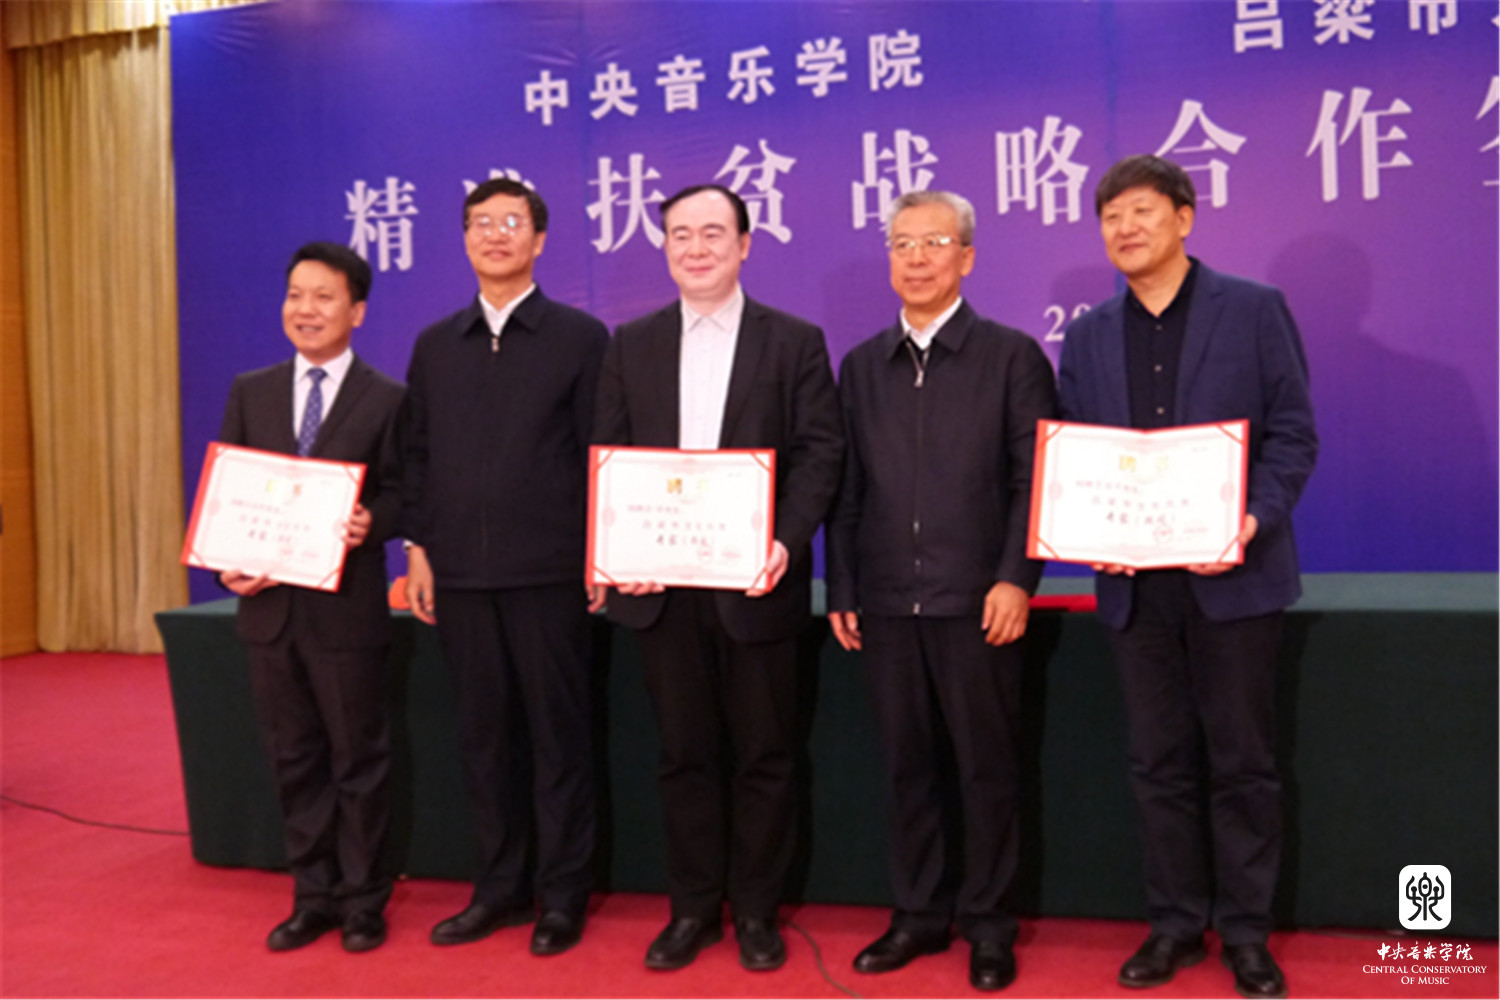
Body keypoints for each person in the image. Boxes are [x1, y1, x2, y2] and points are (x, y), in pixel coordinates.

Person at [1058, 155, 1317, 1000]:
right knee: (1157, 763)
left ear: (1184, 217)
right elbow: (1079, 455)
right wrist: (1090, 530)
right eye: (1110, 218)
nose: (1125, 229)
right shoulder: (1090, 335)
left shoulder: (1253, 309)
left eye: (1141, 211)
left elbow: (1293, 435)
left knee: (1243, 763)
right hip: (1137, 588)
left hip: (1233, 576)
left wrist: (1252, 519)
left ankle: (1246, 932)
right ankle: (1173, 923)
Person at [591, 184, 843, 973]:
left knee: (766, 756)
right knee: (684, 756)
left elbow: (820, 453)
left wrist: (786, 541)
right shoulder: (630, 343)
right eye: (680, 234)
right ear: (664, 246)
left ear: (744, 245)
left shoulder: (793, 341)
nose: (695, 248)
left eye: (712, 233)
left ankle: (758, 912)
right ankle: (693, 910)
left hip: (756, 585)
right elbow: (610, 455)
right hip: (662, 593)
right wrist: (618, 553)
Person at [825, 191, 1056, 992]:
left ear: (967, 256)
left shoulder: (1011, 356)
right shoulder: (862, 366)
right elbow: (846, 488)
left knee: (987, 771)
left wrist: (1015, 577)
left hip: (978, 602)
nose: (916, 258)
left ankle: (989, 924)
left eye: (934, 242)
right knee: (907, 769)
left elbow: (1035, 479)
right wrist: (843, 583)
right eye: (902, 244)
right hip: (887, 603)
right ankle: (918, 915)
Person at [402, 178, 607, 956]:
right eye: (480, 223)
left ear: (539, 240)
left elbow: (599, 453)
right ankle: (498, 889)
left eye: (511, 222)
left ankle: (563, 896)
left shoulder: (579, 338)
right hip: (460, 577)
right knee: (485, 742)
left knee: (559, 741)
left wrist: (599, 553)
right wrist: (419, 547)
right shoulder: (435, 345)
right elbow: (416, 456)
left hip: (550, 575)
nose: (495, 234)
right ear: (464, 240)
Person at [217, 242, 404, 953]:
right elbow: (230, 491)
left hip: (344, 612)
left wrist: (372, 522)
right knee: (293, 757)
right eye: (296, 294)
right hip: (270, 611)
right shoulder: (252, 390)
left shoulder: (387, 398)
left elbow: (406, 493)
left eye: (324, 297)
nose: (306, 309)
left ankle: (363, 901)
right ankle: (312, 895)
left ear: (357, 311)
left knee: (358, 760)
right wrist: (228, 563)